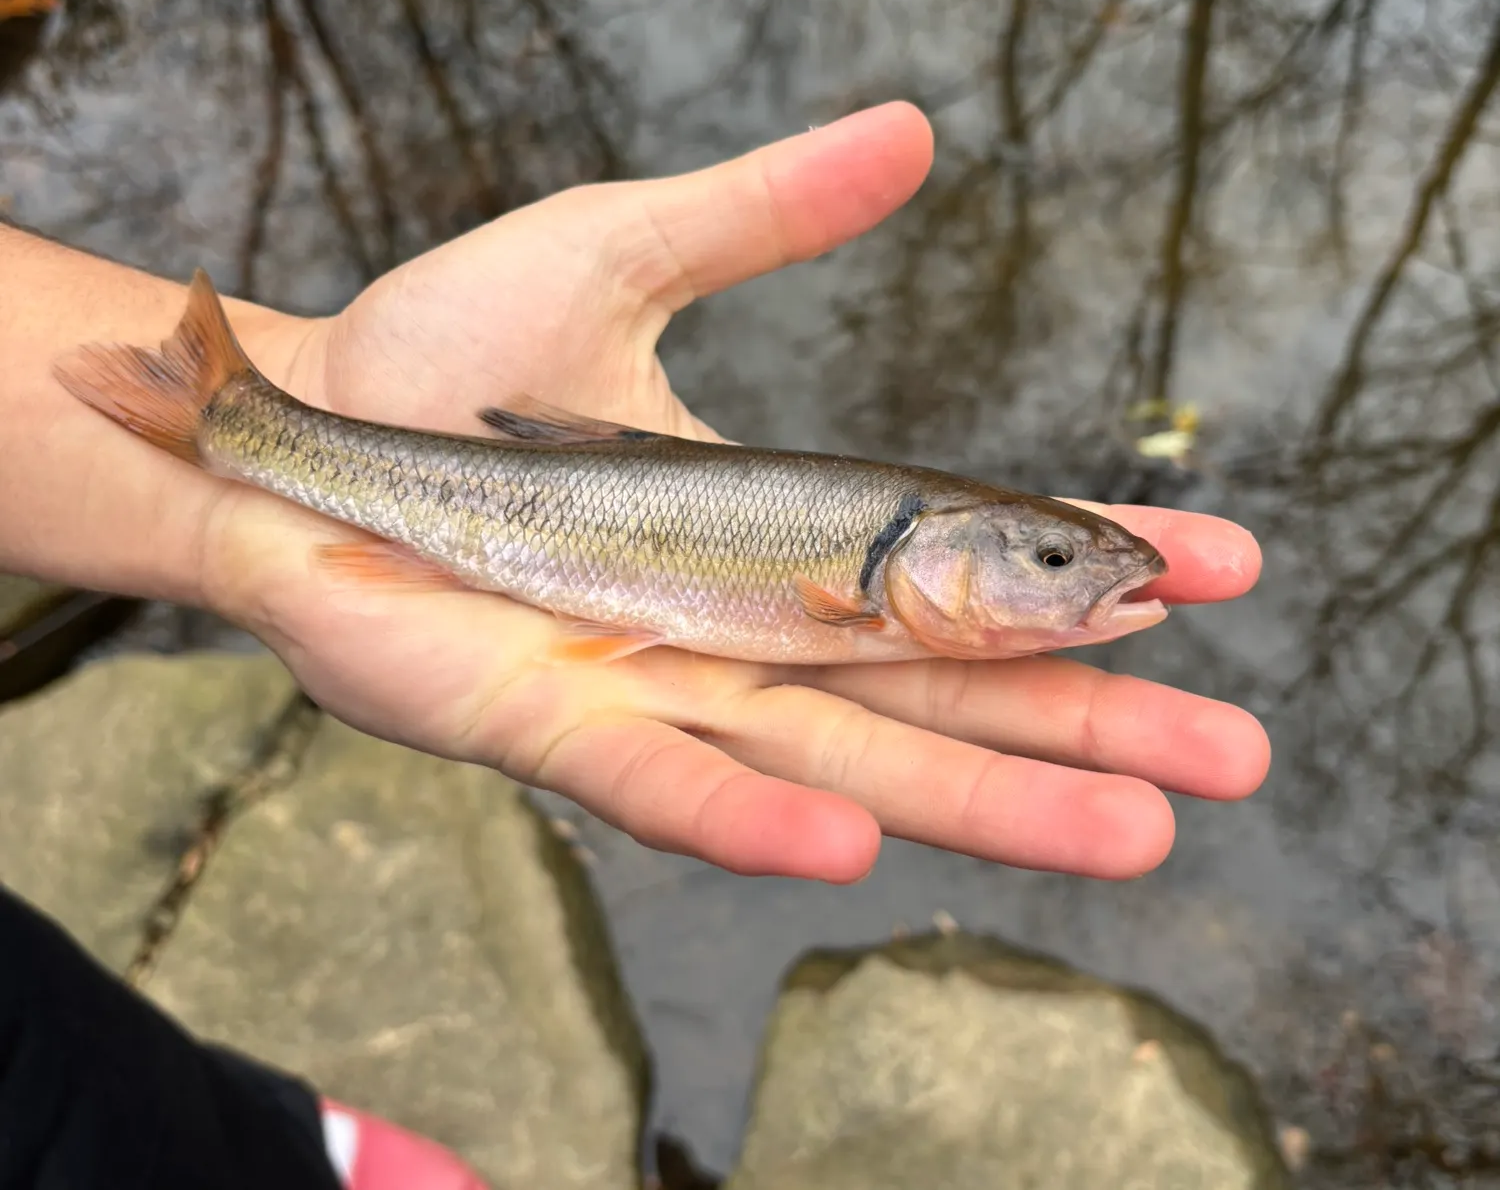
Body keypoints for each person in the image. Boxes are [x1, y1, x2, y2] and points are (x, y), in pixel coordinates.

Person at [0, 103, 1269, 1187]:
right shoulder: (860, 585)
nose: (1074, 578)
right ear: (947, 548)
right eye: (1050, 561)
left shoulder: (888, 574)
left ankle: (268, 1149)